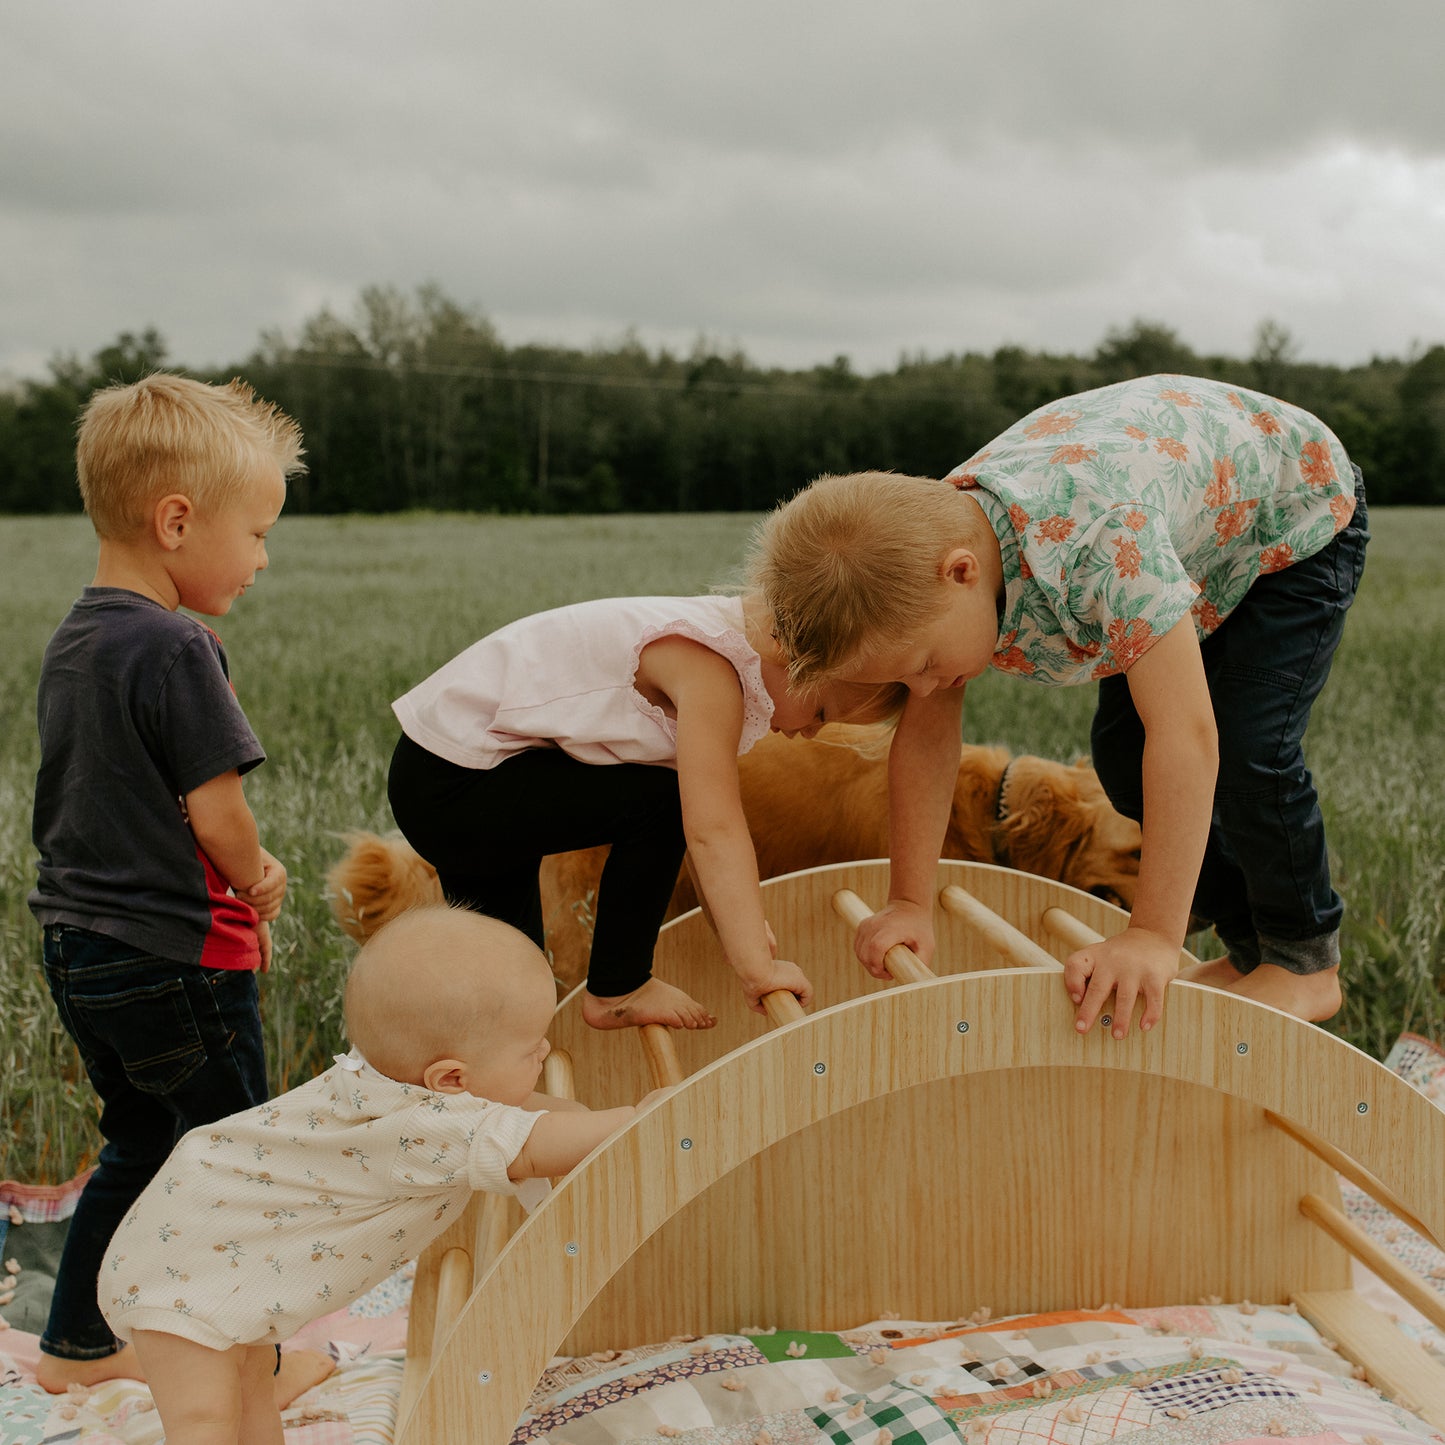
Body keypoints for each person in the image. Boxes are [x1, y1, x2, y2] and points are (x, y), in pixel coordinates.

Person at [752, 374, 1368, 1038]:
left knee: (1250, 745)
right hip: (1191, 537)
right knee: (1122, 756)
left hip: (1292, 514)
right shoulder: (934, 571)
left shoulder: (1098, 548)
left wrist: (1152, 936)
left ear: (960, 572)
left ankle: (1304, 958)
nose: (925, 689)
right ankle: (1252, 949)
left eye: (926, 664)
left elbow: (1187, 735)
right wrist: (908, 900)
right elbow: (926, 744)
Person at [100, 905, 664, 1445]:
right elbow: (535, 1146)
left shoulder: (389, 1082)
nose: (545, 1050)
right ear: (450, 1079)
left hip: (202, 1244)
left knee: (250, 1391)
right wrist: (643, 1117)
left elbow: (526, 1120)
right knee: (205, 1422)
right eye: (529, 1049)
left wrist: (575, 1115)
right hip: (182, 1279)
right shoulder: (424, 1128)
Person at [27, 373, 309, 1397]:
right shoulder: (181, 643)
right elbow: (216, 810)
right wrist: (259, 875)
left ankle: (76, 1347)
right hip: (174, 953)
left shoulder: (76, 638)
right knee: (239, 1163)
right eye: (258, 530)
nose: (264, 557)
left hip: (78, 947)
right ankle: (249, 1369)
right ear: (177, 520)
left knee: (141, 1136)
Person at [384, 593, 905, 1031]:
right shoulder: (711, 670)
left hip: (453, 774)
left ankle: (487, 1081)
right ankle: (619, 985)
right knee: (659, 801)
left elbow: (703, 826)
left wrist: (734, 928)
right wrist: (757, 968)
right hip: (457, 779)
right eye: (821, 711)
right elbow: (711, 830)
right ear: (790, 652)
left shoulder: (714, 641)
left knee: (512, 977)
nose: (812, 731)